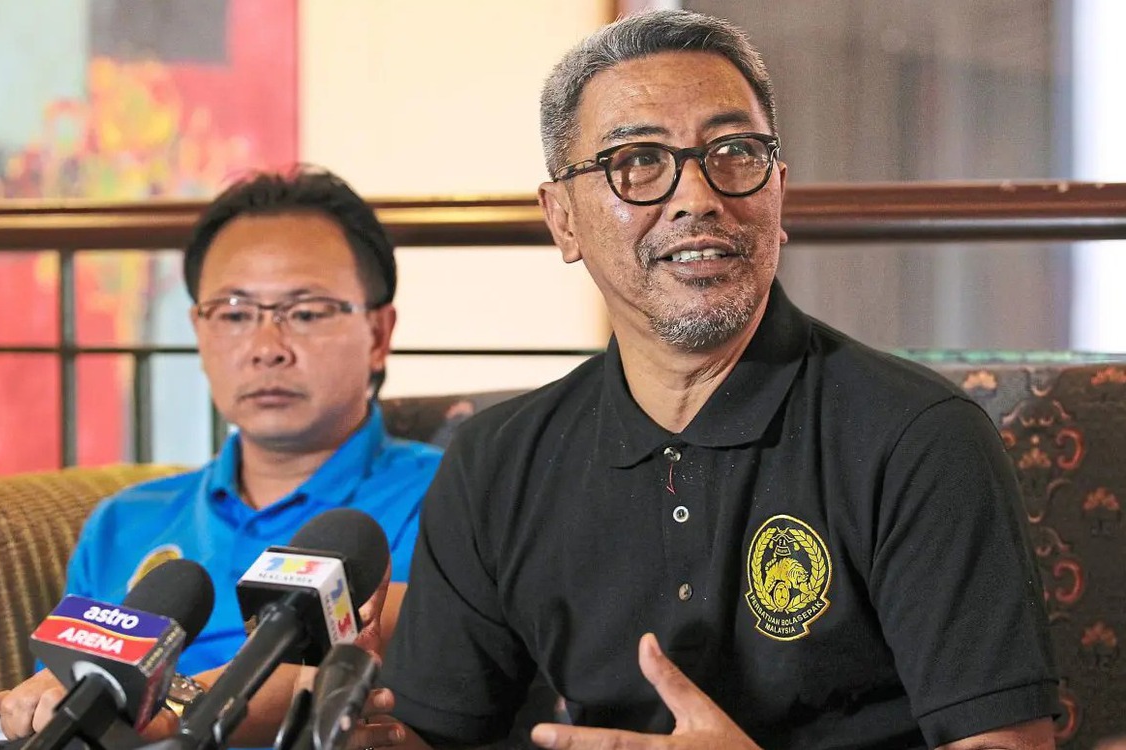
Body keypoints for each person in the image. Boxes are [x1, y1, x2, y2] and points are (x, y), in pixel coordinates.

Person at [382, 9, 1058, 750]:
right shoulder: (495, 463)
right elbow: (434, 734)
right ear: (563, 220)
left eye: (734, 152)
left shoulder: (917, 440)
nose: (698, 197)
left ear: (779, 192)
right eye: (638, 160)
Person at [0, 167, 441, 748]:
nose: (267, 348)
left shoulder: (453, 495)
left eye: (306, 312)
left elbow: (375, 660)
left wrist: (168, 705)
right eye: (235, 313)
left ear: (378, 333)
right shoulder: (125, 522)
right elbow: (61, 693)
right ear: (200, 330)